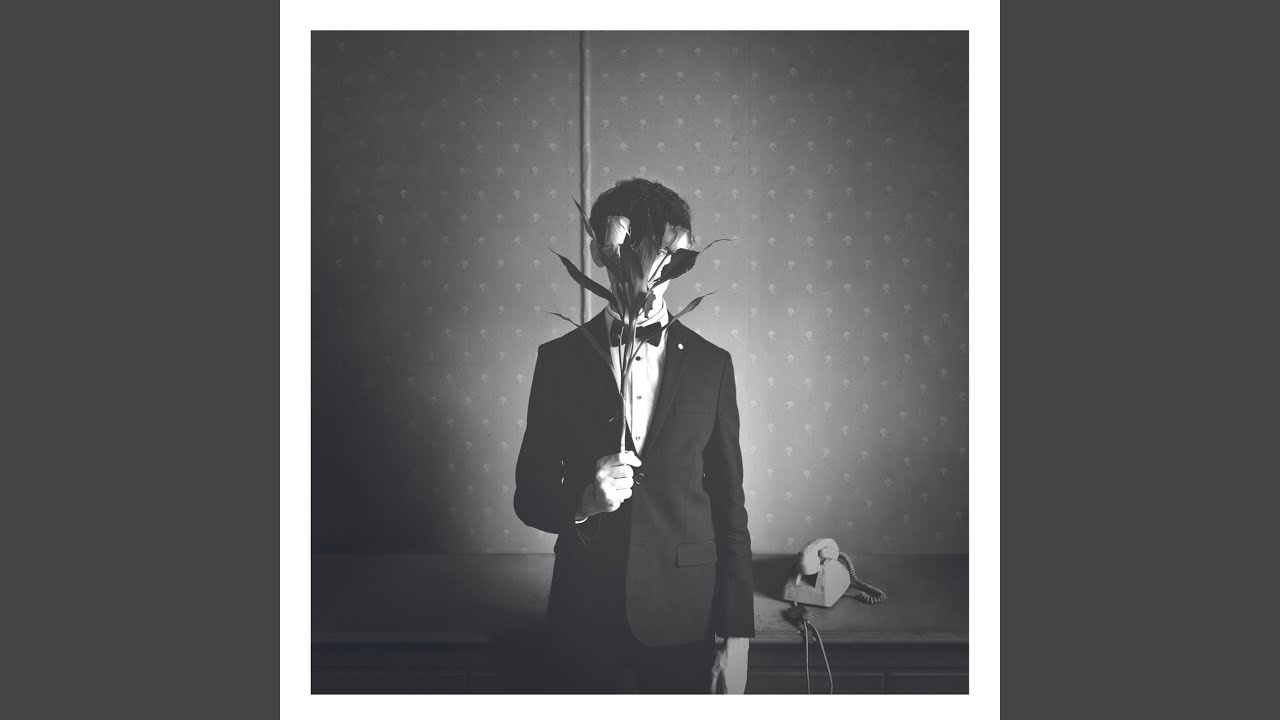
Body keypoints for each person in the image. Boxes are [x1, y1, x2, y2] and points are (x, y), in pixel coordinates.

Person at [514, 178, 754, 693]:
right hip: (585, 612)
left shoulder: (712, 365)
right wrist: (584, 500)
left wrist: (736, 635)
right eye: (623, 253)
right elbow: (528, 498)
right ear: (601, 254)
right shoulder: (559, 361)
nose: (645, 271)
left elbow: (729, 504)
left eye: (667, 257)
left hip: (685, 613)